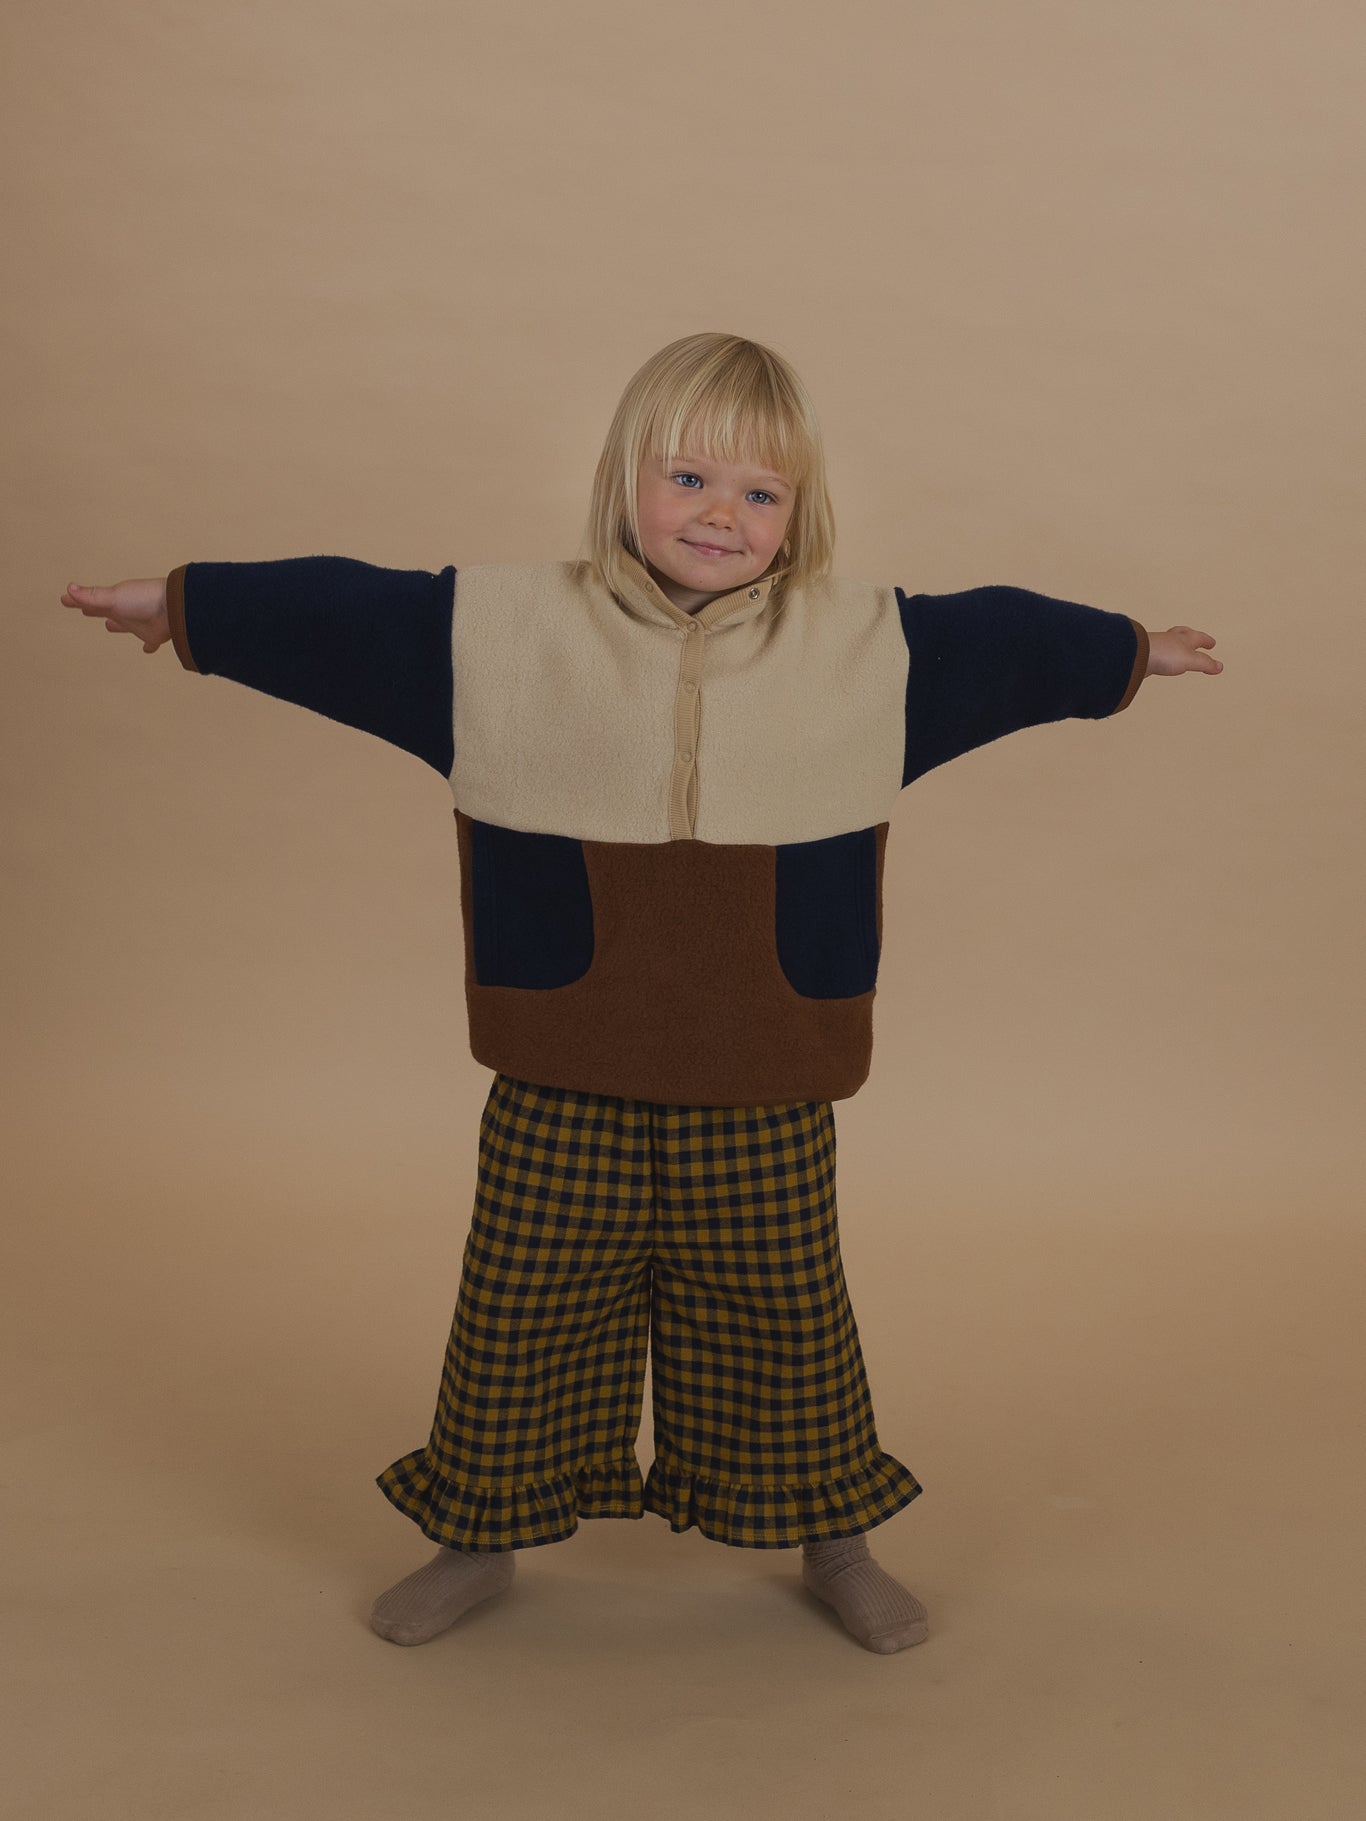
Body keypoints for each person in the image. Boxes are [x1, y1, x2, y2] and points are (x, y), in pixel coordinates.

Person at [61, 331, 1223, 1656]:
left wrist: (1127, 651)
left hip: (765, 1062)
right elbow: (345, 613)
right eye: (687, 478)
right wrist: (189, 606)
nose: (721, 514)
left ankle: (831, 1534)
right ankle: (476, 1533)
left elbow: (1004, 637)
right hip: (563, 1054)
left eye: (760, 492)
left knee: (785, 1306)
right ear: (623, 481)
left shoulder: (868, 650)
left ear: (801, 512)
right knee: (520, 1304)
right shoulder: (500, 633)